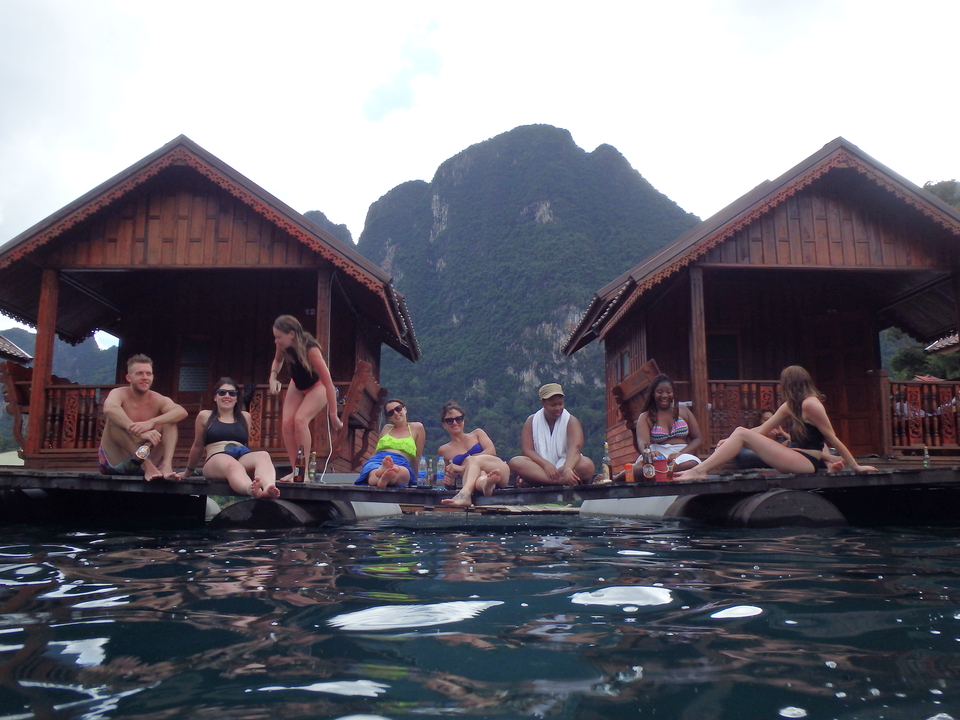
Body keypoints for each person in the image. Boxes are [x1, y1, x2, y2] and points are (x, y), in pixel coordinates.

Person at [675, 365, 878, 480]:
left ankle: (700, 471)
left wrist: (856, 466)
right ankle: (700, 470)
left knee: (740, 432)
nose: (781, 387)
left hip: (806, 462)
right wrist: (730, 440)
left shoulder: (811, 404)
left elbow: (832, 438)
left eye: (783, 383)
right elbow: (762, 429)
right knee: (740, 432)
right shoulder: (791, 405)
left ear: (791, 384)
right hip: (793, 455)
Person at [268, 315, 343, 483]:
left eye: (279, 337)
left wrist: (333, 415)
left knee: (300, 421)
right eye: (275, 337)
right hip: (297, 384)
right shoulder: (282, 346)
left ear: (292, 334)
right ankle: (296, 470)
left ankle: (304, 471)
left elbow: (329, 384)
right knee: (287, 423)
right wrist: (273, 378)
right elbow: (277, 362)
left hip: (318, 386)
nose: (276, 341)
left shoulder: (311, 350)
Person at [185, 378, 280, 499]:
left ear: (236, 398)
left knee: (263, 455)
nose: (227, 396)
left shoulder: (245, 417)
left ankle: (268, 488)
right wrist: (188, 472)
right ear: (215, 397)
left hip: (240, 455)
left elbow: (246, 444)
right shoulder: (205, 416)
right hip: (216, 459)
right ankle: (251, 490)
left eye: (232, 393)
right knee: (231, 464)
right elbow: (197, 446)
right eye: (222, 392)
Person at [99, 353, 187, 481]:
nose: (145, 377)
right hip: (116, 462)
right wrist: (137, 431)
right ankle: (147, 465)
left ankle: (166, 466)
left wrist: (151, 422)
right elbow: (109, 408)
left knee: (170, 420)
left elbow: (181, 412)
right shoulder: (119, 393)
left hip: (153, 463)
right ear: (129, 378)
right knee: (113, 420)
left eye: (148, 374)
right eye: (139, 373)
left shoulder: (158, 399)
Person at [508, 383, 594, 486]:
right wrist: (546, 465)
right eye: (553, 405)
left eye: (560, 404)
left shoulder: (571, 420)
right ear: (543, 403)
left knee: (587, 465)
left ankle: (536, 480)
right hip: (541, 466)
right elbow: (527, 450)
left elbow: (575, 447)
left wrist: (567, 469)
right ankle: (560, 481)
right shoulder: (531, 421)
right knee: (515, 462)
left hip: (566, 465)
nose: (558, 408)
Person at [436, 401, 510, 507]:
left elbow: (491, 451)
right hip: (476, 480)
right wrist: (450, 482)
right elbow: (448, 477)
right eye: (449, 420)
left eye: (458, 419)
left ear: (463, 420)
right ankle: (486, 485)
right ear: (444, 424)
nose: (455, 423)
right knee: (481, 475)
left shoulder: (477, 434)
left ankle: (465, 495)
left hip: (497, 468)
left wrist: (463, 467)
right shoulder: (443, 450)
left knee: (471, 460)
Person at [635, 374, 702, 472]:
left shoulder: (684, 411)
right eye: (659, 392)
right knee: (641, 468)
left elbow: (697, 438)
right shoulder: (645, 417)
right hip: (656, 455)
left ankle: (661, 472)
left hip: (682, 454)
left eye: (669, 392)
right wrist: (651, 454)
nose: (665, 396)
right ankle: (664, 471)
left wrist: (679, 453)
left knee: (693, 464)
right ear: (653, 393)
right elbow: (643, 443)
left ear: (673, 393)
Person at [354, 398, 425, 487]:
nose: (395, 413)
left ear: (405, 409)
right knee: (373, 471)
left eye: (398, 409)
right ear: (389, 418)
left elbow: (417, 456)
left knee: (403, 472)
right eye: (391, 413)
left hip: (400, 462)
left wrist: (420, 479)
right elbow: (375, 451)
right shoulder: (387, 428)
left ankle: (384, 477)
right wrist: (370, 463)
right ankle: (383, 474)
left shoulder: (417, 427)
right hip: (379, 460)